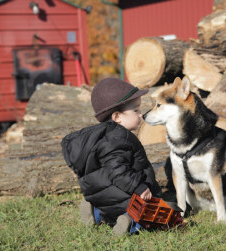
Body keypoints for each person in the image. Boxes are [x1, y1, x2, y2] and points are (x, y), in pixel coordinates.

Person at [61, 77, 162, 235]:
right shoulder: (119, 139)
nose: (141, 114)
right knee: (150, 212)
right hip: (125, 197)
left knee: (108, 208)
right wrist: (139, 186)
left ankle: (94, 210)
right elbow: (118, 171)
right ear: (117, 117)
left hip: (104, 197)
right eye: (136, 110)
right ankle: (129, 221)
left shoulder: (103, 137)